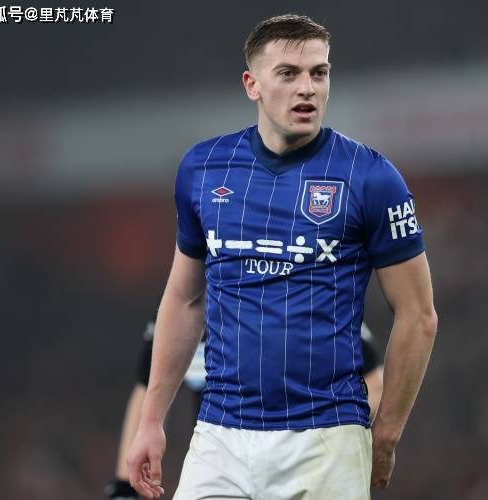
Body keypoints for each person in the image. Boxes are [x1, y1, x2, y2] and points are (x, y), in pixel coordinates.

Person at [127, 13, 437, 500]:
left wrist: (387, 433)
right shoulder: (203, 169)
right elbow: (185, 300)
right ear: (252, 84)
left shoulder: (372, 178)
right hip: (220, 434)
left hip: (326, 438)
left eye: (319, 72)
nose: (307, 88)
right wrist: (151, 422)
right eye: (288, 74)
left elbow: (418, 314)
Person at [105, 321, 384, 499]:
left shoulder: (305, 290)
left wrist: (330, 434)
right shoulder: (183, 303)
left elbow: (374, 381)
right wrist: (125, 487)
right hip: (222, 463)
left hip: (305, 461)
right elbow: (148, 389)